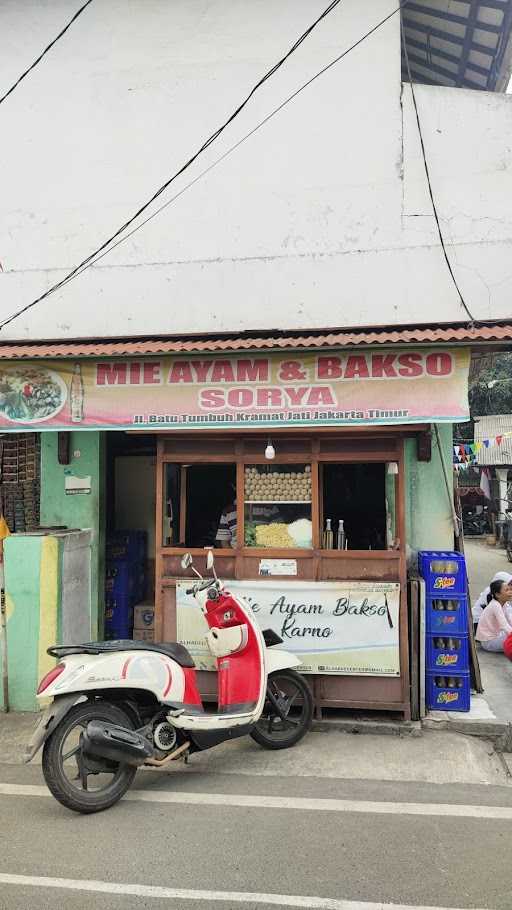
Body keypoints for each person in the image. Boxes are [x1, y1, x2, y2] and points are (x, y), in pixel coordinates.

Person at [476, 579, 512, 652]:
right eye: (507, 590)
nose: (510, 592)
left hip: (496, 636)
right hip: (488, 642)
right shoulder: (495, 605)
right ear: (497, 594)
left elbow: (510, 620)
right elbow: (504, 625)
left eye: (510, 589)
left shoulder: (505, 605)